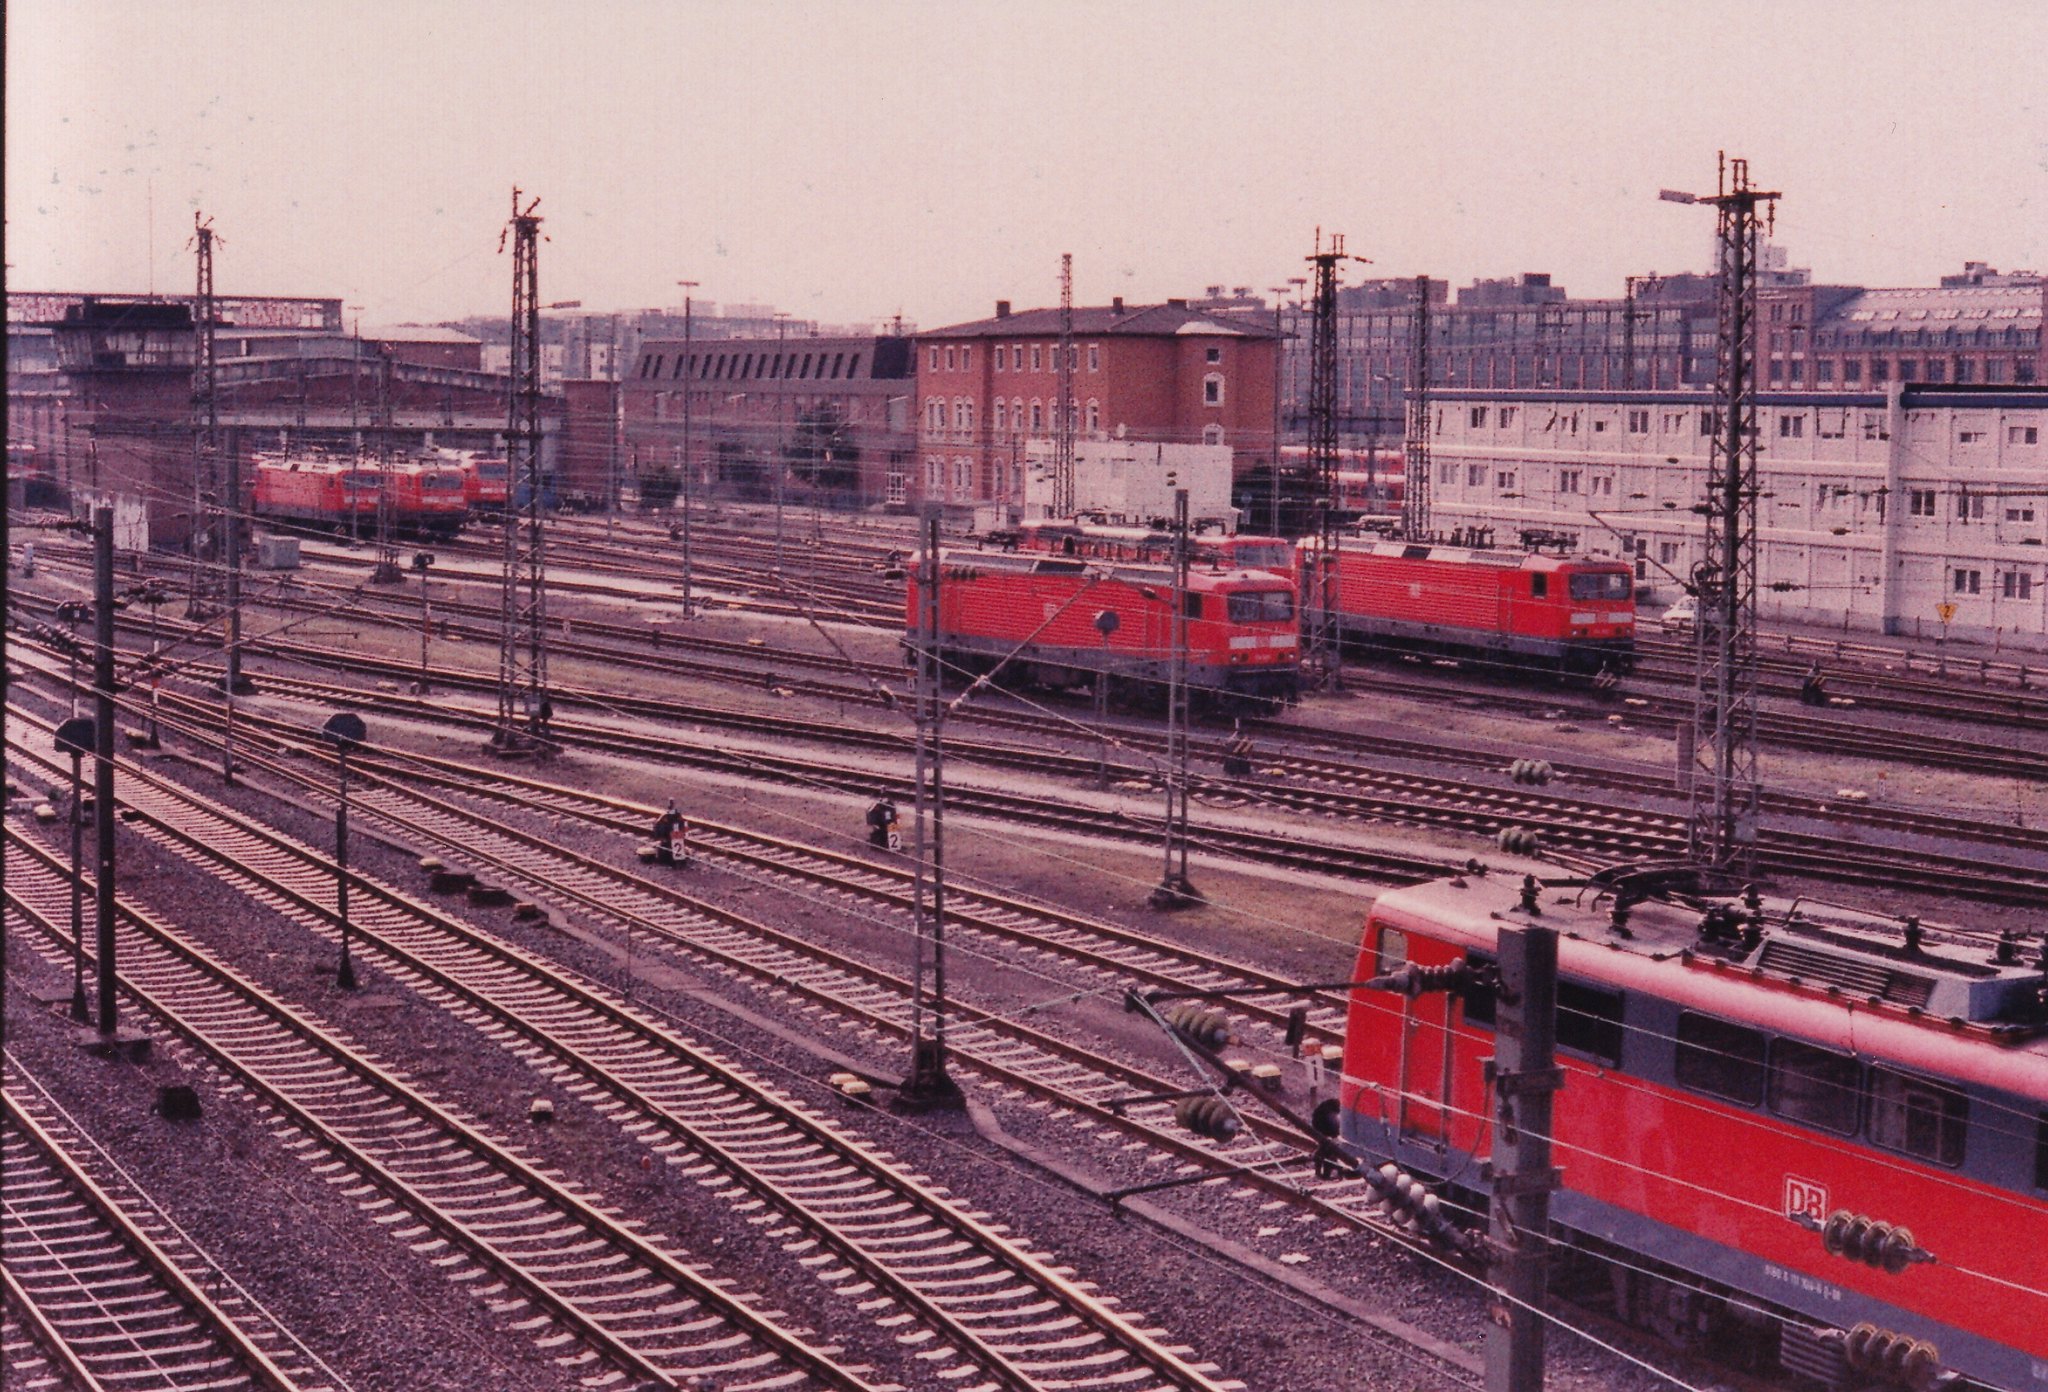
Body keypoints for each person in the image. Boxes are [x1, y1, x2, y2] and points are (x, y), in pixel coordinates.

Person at [652, 799, 689, 866]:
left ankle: (674, 859)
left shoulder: (670, 817)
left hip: (672, 839)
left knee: (666, 848)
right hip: (670, 839)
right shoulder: (672, 817)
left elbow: (657, 826)